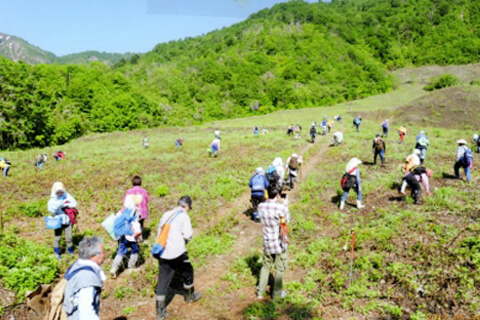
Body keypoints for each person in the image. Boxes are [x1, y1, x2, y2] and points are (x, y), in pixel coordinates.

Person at [155, 196, 201, 320]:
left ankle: (160, 312)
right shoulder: (184, 216)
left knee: (163, 280)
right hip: (178, 252)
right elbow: (187, 235)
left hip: (163, 252)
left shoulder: (166, 214)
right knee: (188, 271)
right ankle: (190, 297)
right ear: (187, 206)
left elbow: (159, 231)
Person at [256, 188, 291, 300]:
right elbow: (287, 220)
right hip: (279, 243)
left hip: (267, 242)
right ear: (277, 195)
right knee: (279, 269)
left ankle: (260, 292)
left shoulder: (261, 206)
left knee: (265, 267)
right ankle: (276, 295)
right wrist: (285, 205)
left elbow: (259, 218)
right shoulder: (280, 207)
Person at [63, 236, 106, 320]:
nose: (104, 255)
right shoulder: (87, 276)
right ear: (93, 256)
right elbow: (86, 312)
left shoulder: (77, 265)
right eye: (102, 253)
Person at [110, 196, 142, 278]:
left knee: (120, 252)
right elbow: (135, 224)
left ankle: (114, 268)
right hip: (131, 236)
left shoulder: (122, 211)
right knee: (135, 250)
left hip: (122, 236)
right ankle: (131, 267)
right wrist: (138, 235)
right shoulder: (134, 211)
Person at [48, 182, 77, 259]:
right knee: (58, 237)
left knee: (69, 237)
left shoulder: (67, 196)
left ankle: (70, 251)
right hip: (58, 221)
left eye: (61, 192)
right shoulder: (52, 200)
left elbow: (74, 203)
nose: (60, 194)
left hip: (67, 220)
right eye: (58, 192)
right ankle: (57, 252)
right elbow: (51, 210)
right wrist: (58, 206)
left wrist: (67, 205)